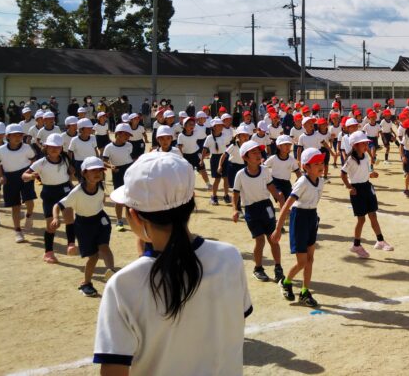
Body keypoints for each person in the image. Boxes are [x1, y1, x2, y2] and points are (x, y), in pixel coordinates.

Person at [94, 150, 252, 374]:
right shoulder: (230, 258)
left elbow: (113, 371)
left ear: (134, 216)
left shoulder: (123, 285)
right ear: (191, 202)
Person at [52, 156, 116, 296]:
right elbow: (58, 205)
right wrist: (56, 218)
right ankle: (86, 283)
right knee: (93, 257)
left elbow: (101, 199)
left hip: (101, 220)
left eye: (100, 170)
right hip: (84, 225)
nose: (97, 173)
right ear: (84, 173)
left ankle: (111, 272)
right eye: (93, 170)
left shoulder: (100, 184)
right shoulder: (77, 192)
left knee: (104, 247)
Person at [271, 147, 326, 308]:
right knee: (302, 262)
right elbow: (287, 205)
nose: (320, 165)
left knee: (310, 259)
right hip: (299, 218)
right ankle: (285, 281)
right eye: (315, 163)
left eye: (321, 162)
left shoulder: (320, 180)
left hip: (311, 217)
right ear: (306, 167)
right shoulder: (302, 181)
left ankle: (304, 292)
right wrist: (278, 228)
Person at [232, 141, 285, 283]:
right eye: (253, 152)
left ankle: (278, 268)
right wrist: (235, 209)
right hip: (251, 209)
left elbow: (271, 186)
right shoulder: (240, 175)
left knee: (273, 238)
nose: (258, 155)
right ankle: (258, 268)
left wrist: (279, 198)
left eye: (259, 152)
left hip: (266, 207)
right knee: (260, 240)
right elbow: (236, 193)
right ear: (245, 157)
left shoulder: (265, 170)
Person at [24, 133, 77, 262]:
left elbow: (71, 172)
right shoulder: (40, 163)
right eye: (51, 147)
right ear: (46, 147)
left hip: (65, 190)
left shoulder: (65, 159)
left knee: (69, 218)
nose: (54, 149)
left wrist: (72, 174)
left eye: (57, 147)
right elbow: (24, 175)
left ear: (61, 148)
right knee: (51, 225)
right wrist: (30, 176)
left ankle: (71, 244)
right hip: (49, 193)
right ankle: (48, 252)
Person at [341, 131, 393, 257]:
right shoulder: (350, 159)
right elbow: (343, 174)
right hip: (357, 190)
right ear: (354, 145)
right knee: (361, 219)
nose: (366, 145)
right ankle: (356, 245)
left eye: (366, 143)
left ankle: (380, 240)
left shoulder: (365, 157)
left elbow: (362, 173)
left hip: (367, 187)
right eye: (362, 143)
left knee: (373, 215)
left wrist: (371, 175)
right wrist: (349, 187)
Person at [0, 123, 36, 242]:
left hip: (25, 175)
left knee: (29, 201)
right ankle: (18, 231)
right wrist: (1, 176)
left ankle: (29, 215)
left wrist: (30, 172)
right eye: (14, 135)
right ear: (7, 136)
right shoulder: (1, 150)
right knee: (15, 205)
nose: (18, 137)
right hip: (9, 177)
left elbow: (33, 160)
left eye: (20, 135)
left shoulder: (27, 148)